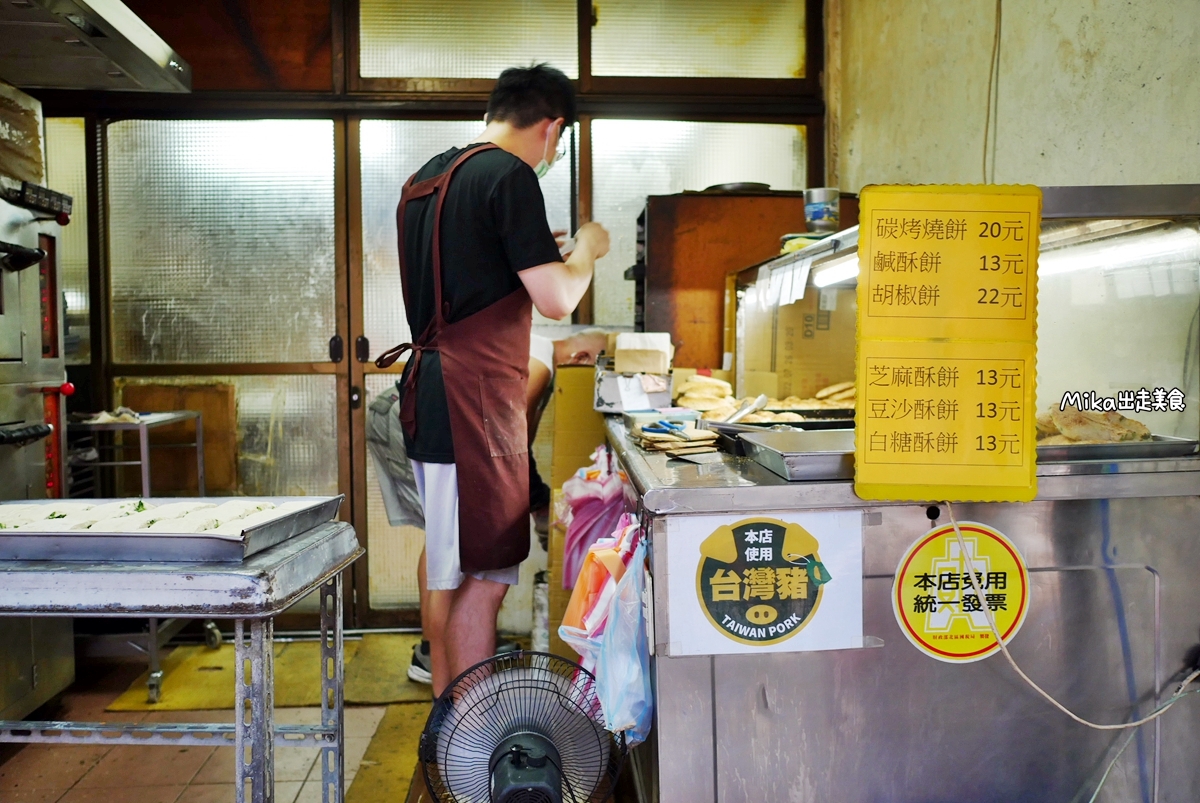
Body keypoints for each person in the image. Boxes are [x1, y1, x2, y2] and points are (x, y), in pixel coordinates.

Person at [375, 63, 610, 697]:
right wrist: (588, 247)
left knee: (448, 571)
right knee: (486, 575)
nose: (553, 153)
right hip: (475, 403)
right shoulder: (511, 175)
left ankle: (450, 725)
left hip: (432, 393)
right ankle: (472, 733)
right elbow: (559, 299)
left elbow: (468, 275)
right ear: (552, 126)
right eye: (558, 142)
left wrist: (533, 250)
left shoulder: (430, 178)